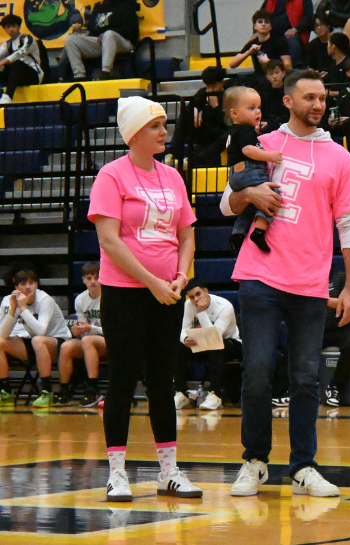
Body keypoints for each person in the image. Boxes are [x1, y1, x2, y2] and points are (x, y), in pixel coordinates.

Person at [219, 69, 350, 498]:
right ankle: (254, 461)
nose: (318, 105)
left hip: (311, 282)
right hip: (260, 275)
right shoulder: (262, 142)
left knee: (305, 377)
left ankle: (303, 466)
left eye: (322, 98)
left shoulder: (339, 157)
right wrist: (250, 196)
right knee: (257, 371)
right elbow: (226, 204)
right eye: (309, 97)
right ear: (288, 102)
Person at [88, 96, 201, 502]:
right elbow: (109, 240)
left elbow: (186, 235)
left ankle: (168, 472)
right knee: (122, 378)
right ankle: (117, 473)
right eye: (155, 125)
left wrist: (181, 277)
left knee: (161, 380)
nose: (163, 131)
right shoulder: (111, 176)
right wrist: (152, 281)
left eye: (163, 124)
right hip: (125, 294)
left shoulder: (173, 177)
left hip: (168, 294)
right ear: (134, 133)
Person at [224, 85, 284, 255]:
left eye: (258, 107)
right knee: (272, 194)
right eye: (251, 108)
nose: (257, 112)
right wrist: (269, 156)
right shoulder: (245, 130)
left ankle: (238, 233)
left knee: (251, 205)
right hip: (248, 170)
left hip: (235, 174)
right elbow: (248, 150)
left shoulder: (234, 131)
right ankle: (259, 231)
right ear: (234, 113)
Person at [0, 269, 71, 408]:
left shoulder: (45, 300)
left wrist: (23, 309)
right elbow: (3, 334)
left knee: (38, 340)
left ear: (37, 285)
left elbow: (41, 331)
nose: (28, 287)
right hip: (32, 343)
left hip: (57, 344)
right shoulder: (8, 300)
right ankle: (6, 391)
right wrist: (13, 311)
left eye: (31, 283)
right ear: (16, 287)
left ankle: (47, 391)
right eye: (23, 284)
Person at [174, 279, 242, 411]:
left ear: (206, 291)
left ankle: (215, 394)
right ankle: (180, 392)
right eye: (192, 297)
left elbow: (215, 336)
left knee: (216, 347)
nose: (196, 299)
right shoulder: (188, 305)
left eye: (198, 294)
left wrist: (201, 311)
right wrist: (186, 339)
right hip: (203, 344)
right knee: (179, 347)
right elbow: (183, 329)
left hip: (230, 344)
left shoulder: (224, 306)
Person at [55, 261, 106, 408]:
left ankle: (93, 389)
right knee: (67, 346)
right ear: (83, 280)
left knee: (88, 340)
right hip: (90, 340)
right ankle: (65, 390)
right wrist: (78, 331)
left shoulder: (109, 297)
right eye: (89, 278)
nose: (93, 281)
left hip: (111, 340)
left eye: (97, 277)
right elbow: (84, 327)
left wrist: (91, 329)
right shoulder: (80, 299)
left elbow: (114, 329)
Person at [166, 66, 228, 169]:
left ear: (222, 82)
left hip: (222, 132)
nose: (210, 90)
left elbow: (227, 122)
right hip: (205, 132)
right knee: (184, 116)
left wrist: (216, 108)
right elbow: (193, 104)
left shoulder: (229, 95)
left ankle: (193, 160)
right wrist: (195, 109)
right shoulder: (203, 93)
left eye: (213, 86)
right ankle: (173, 153)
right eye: (208, 87)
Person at [63, 0, 139, 81]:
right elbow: (92, 29)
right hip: (102, 41)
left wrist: (109, 32)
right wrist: (87, 38)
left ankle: (106, 71)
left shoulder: (127, 6)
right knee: (71, 39)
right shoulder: (99, 7)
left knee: (109, 34)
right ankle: (79, 75)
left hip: (123, 42)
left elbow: (131, 30)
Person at [323, 265, 350, 407]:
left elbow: (348, 304)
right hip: (317, 328)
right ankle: (289, 390)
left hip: (341, 328)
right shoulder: (309, 278)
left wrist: (319, 300)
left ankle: (335, 388)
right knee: (295, 343)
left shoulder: (341, 278)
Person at [231, 10, 292, 75]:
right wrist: (249, 52)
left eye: (267, 22)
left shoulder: (280, 42)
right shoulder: (253, 43)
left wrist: (269, 62)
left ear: (270, 27)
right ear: (255, 26)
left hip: (275, 78)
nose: (263, 24)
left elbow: (288, 67)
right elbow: (232, 64)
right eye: (260, 22)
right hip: (258, 78)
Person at [0, 14, 44, 104]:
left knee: (17, 63)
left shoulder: (28, 39)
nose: (11, 29)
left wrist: (4, 61)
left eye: (13, 26)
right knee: (3, 69)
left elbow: (21, 52)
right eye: (8, 27)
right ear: (4, 29)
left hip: (33, 75)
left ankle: (8, 97)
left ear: (19, 26)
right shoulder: (7, 44)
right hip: (17, 77)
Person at [259, 0, 314, 68]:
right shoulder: (269, 1)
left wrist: (296, 29)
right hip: (272, 34)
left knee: (292, 39)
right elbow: (260, 16)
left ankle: (296, 68)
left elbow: (308, 17)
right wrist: (257, 33)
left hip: (294, 33)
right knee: (258, 42)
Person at [259, 60, 290, 134]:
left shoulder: (290, 91)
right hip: (270, 123)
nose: (274, 76)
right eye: (270, 74)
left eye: (277, 72)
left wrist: (271, 123)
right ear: (266, 77)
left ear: (283, 73)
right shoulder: (264, 93)